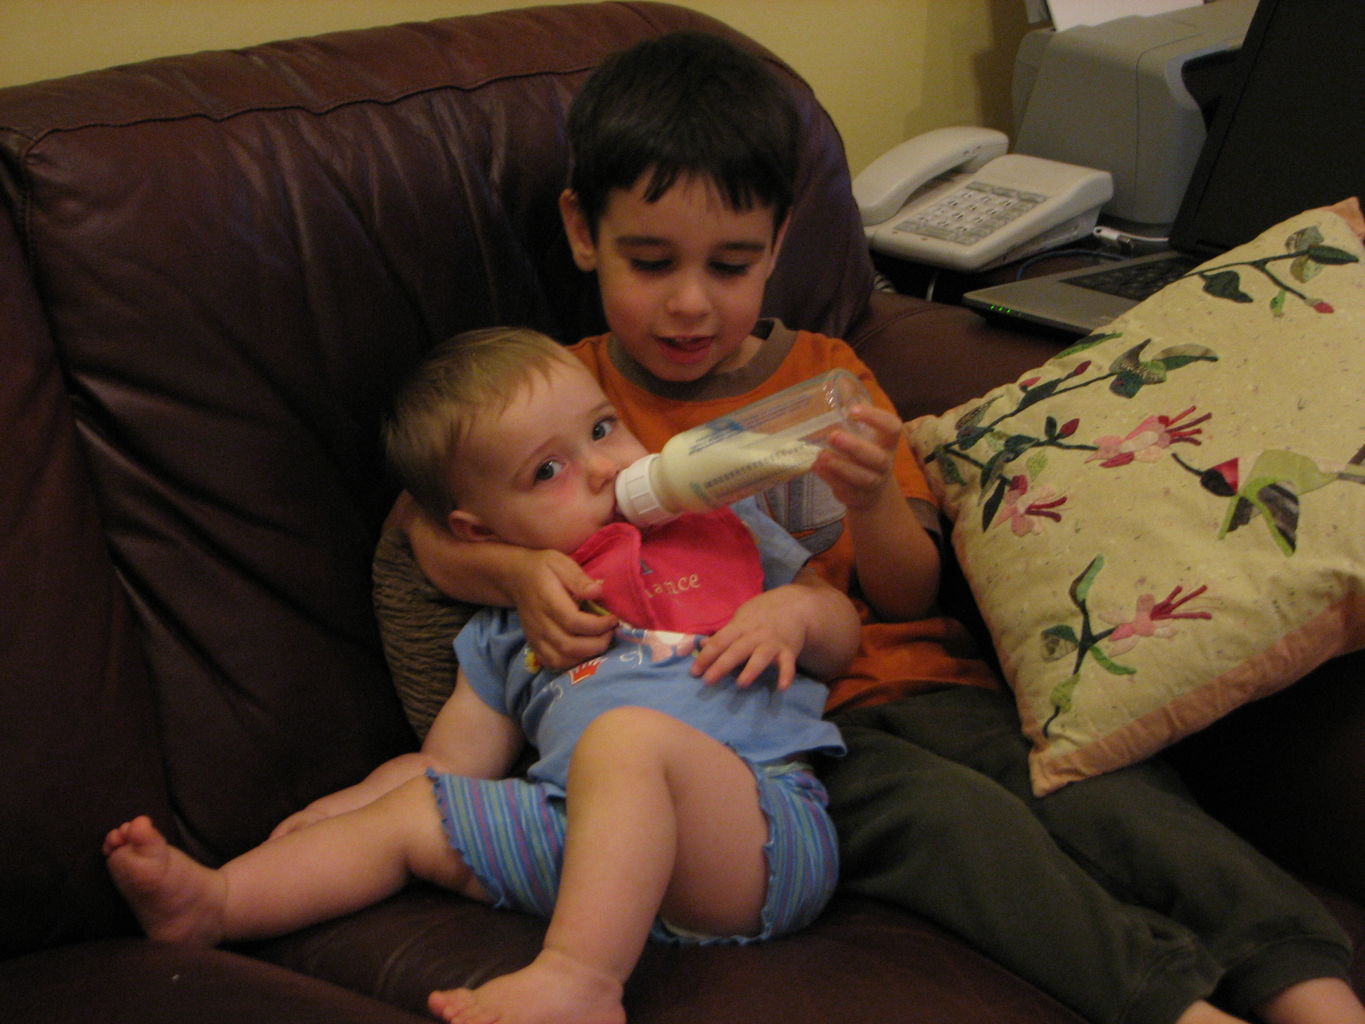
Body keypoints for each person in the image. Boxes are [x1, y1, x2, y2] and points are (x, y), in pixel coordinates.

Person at [397, 30, 1365, 1024]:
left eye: (733, 265)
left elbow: (907, 591)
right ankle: (1172, 1005)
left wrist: (866, 499)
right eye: (652, 261)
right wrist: (519, 575)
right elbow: (427, 532)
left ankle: (1310, 988)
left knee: (1122, 805)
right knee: (968, 836)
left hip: (934, 682)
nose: (691, 303)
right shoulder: (563, 396)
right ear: (583, 230)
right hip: (788, 736)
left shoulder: (824, 373)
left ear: (780, 243)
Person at [104, 327, 859, 1024]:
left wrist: (793, 613)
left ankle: (579, 979)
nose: (603, 469)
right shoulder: (504, 631)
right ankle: (218, 903)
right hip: (574, 842)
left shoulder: (715, 530)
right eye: (547, 471)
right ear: (482, 532)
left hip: (752, 836)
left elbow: (839, 637)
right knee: (413, 814)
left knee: (623, 740)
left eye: (602, 428)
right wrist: (343, 812)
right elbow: (447, 763)